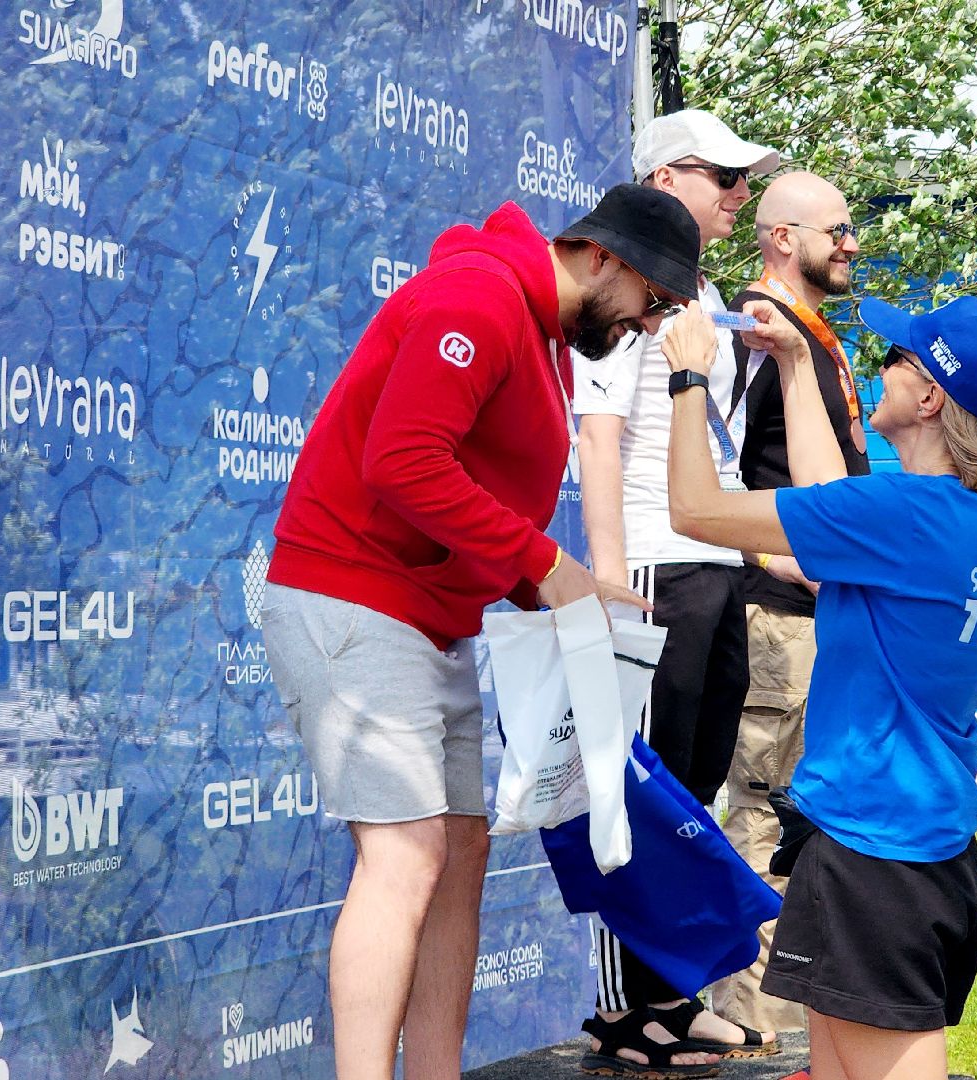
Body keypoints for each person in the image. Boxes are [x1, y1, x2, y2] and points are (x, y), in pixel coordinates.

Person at [258, 184, 700, 1080]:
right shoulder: (478, 297)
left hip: (429, 617)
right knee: (406, 854)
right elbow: (402, 460)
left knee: (458, 855)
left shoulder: (542, 335)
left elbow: (471, 495)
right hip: (355, 598)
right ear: (601, 257)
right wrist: (543, 563)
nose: (650, 325)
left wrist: (548, 588)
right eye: (652, 299)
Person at [660, 293, 977, 1080]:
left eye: (896, 359)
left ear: (929, 399)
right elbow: (830, 497)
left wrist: (688, 377)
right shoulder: (972, 520)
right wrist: (797, 362)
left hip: (874, 856)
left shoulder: (902, 514)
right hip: (904, 840)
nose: (878, 368)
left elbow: (692, 510)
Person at [572, 109, 783, 1075]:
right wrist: (610, 579)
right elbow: (598, 437)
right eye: (723, 177)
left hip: (714, 563)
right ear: (665, 179)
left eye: (746, 181)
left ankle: (672, 994)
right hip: (653, 567)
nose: (739, 195)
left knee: (691, 790)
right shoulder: (629, 288)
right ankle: (625, 1009)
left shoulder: (708, 296)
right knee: (639, 790)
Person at [711, 171, 869, 1036]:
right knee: (763, 816)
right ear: (780, 237)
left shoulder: (809, 331)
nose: (851, 243)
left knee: (816, 819)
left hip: (829, 619)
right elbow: (714, 473)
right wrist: (779, 560)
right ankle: (749, 1021)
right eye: (835, 230)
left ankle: (801, 1017)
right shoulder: (753, 328)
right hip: (775, 619)